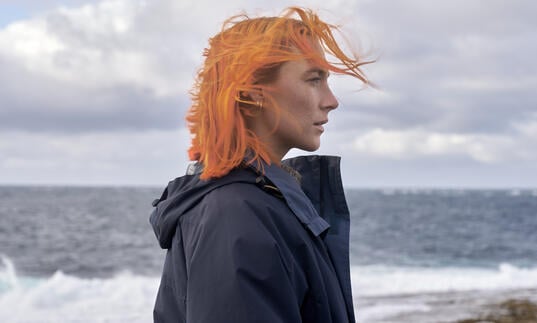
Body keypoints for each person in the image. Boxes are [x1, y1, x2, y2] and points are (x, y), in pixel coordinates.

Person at [150, 6, 371, 323]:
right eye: (313, 79)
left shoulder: (262, 201)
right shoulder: (235, 215)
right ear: (252, 94)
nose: (331, 100)